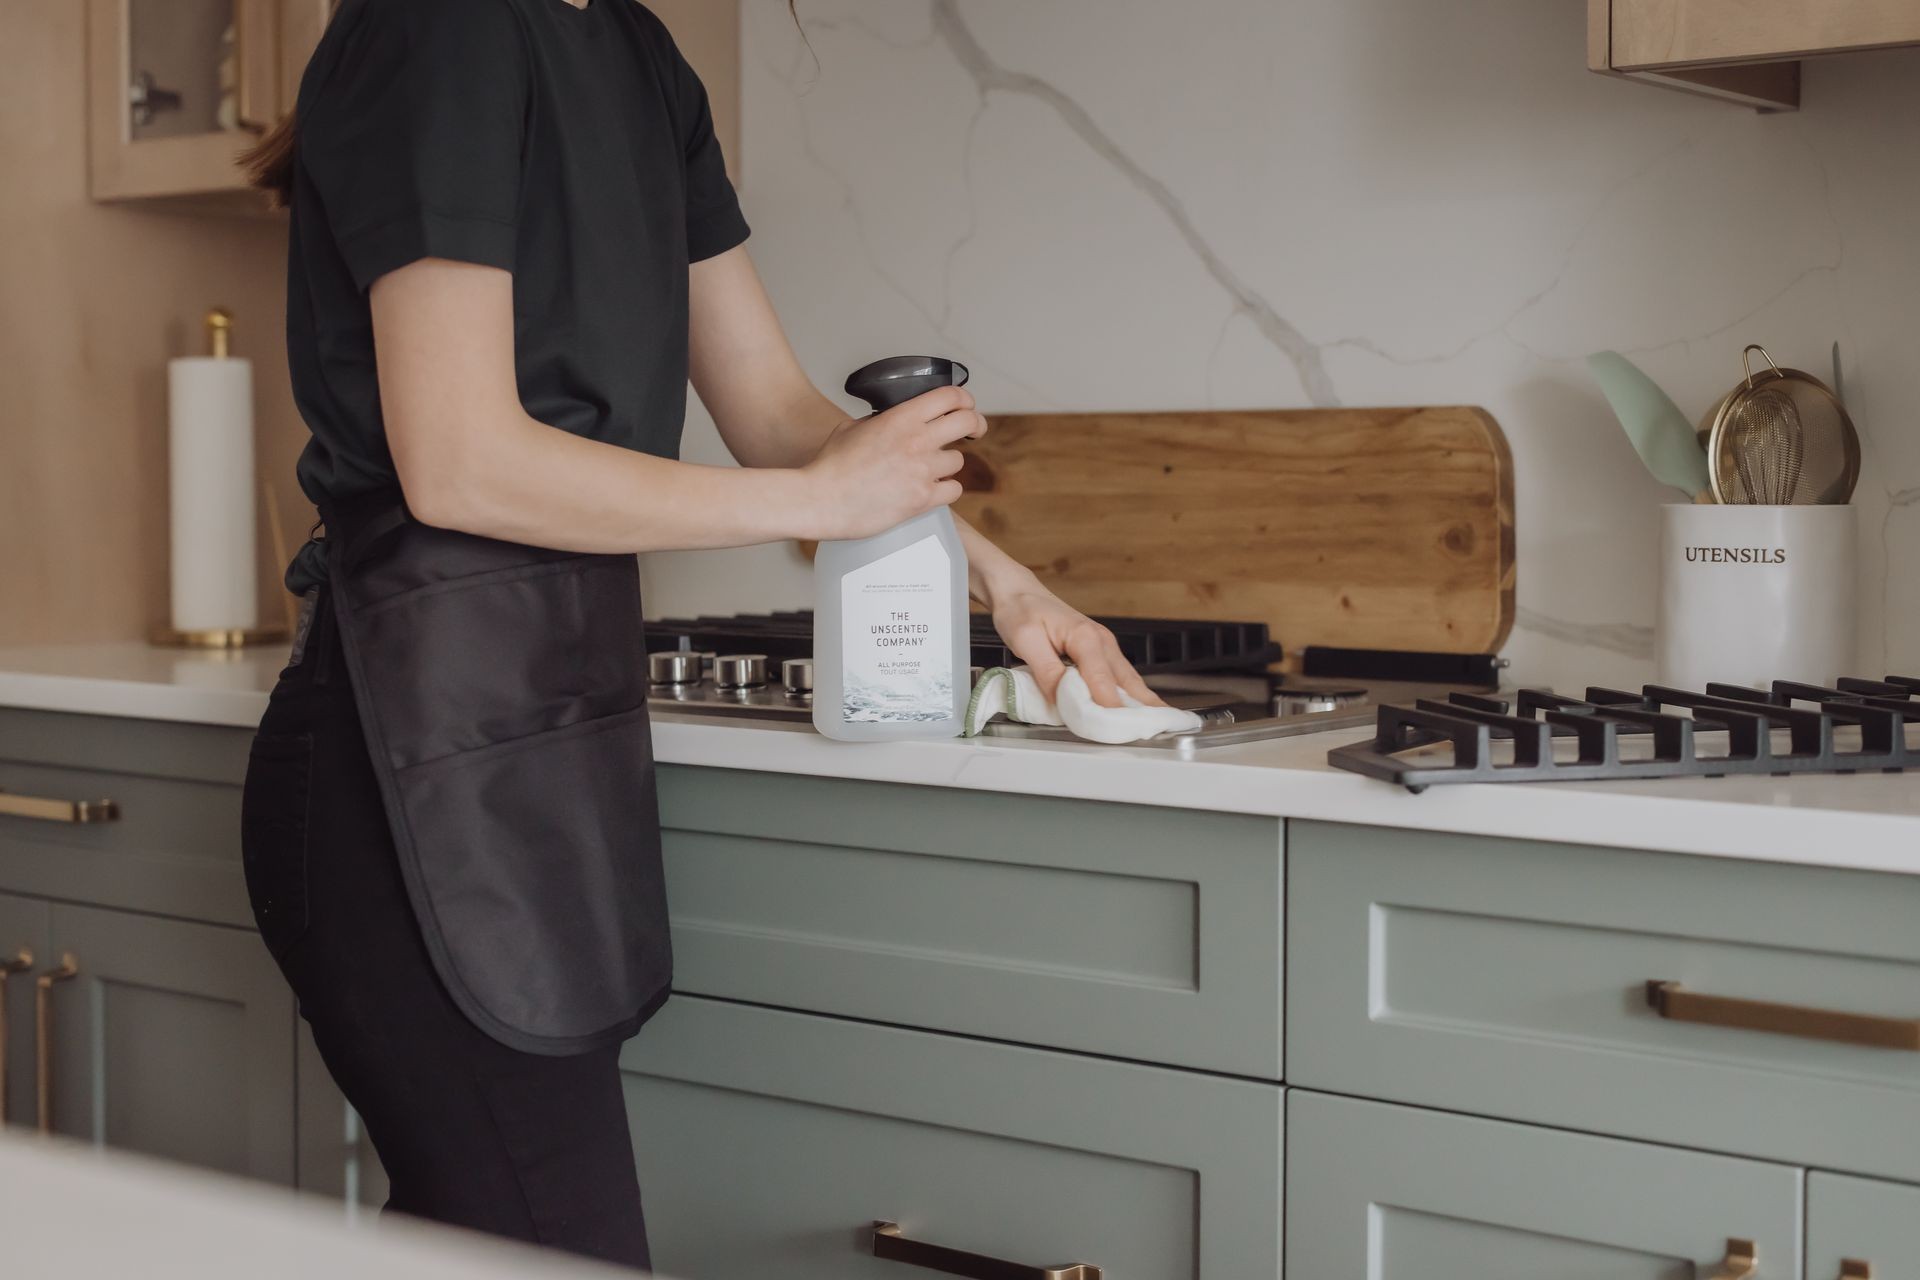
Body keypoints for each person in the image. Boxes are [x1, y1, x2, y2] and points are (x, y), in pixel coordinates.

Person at [237, 0, 1161, 1269]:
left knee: (481, 1231)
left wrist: (1003, 587)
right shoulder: (435, 28)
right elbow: (459, 464)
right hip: (398, 755)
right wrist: (818, 500)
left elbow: (781, 417)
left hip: (544, 742)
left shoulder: (636, 54)